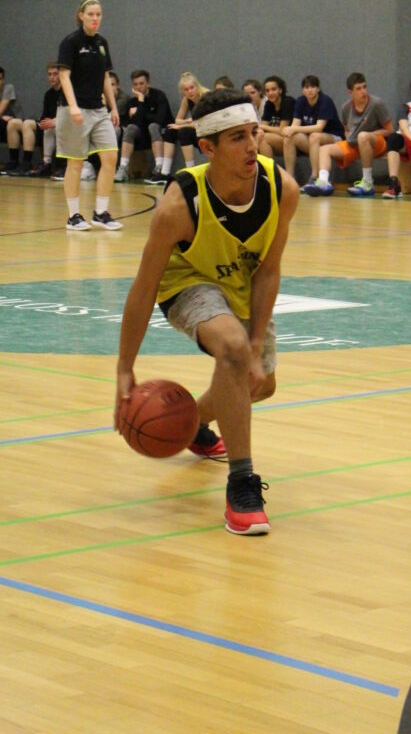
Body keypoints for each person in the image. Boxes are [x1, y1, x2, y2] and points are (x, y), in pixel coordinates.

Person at [115, 88, 299, 535]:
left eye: (254, 133)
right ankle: (242, 486)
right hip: (186, 281)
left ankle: (193, 421)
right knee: (233, 349)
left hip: (243, 281)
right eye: (237, 138)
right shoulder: (179, 206)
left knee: (261, 383)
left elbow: (269, 271)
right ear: (207, 147)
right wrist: (124, 367)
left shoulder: (282, 189)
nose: (253, 145)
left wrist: (257, 342)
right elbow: (144, 288)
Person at [56, 0, 122, 231]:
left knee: (110, 157)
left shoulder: (102, 43)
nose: (95, 18)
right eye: (91, 14)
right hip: (75, 110)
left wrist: (113, 107)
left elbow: (105, 76)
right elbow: (64, 76)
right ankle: (73, 216)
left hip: (99, 109)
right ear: (81, 15)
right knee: (75, 162)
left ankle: (100, 213)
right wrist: (73, 106)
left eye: (98, 14)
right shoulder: (70, 42)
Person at [302, 72, 393, 197]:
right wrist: (351, 139)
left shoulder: (377, 104)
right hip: (356, 144)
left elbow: (389, 130)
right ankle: (323, 182)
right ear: (350, 92)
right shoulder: (346, 107)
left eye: (364, 87)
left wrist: (367, 135)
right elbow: (346, 130)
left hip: (376, 144)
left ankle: (367, 182)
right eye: (358, 89)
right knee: (324, 149)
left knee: (362, 136)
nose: (363, 91)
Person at [281, 74, 345, 185]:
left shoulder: (325, 101)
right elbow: (295, 124)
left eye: (313, 87)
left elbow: (319, 127)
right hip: (313, 141)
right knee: (289, 137)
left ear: (318, 89)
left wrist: (294, 128)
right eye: (306, 87)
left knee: (315, 136)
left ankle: (314, 176)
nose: (310, 90)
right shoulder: (301, 101)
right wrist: (289, 130)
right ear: (303, 90)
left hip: (334, 138)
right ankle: (289, 178)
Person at [114, 70, 173, 184]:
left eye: (141, 83)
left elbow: (159, 119)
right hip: (142, 137)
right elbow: (135, 123)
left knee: (153, 126)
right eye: (135, 84)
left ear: (148, 83)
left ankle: (159, 167)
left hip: (161, 133)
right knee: (131, 128)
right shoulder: (132, 102)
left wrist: (140, 109)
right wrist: (140, 102)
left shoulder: (159, 96)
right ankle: (123, 167)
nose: (138, 87)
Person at [155, 71, 209, 185]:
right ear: (182, 91)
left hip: (209, 131)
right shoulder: (186, 100)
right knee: (170, 130)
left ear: (197, 86)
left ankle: (191, 171)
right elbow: (177, 120)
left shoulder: (205, 97)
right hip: (197, 129)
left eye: (192, 88)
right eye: (186, 89)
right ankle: (165, 172)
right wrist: (187, 121)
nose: (190, 91)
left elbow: (203, 123)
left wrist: (184, 124)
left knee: (184, 132)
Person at [258, 75, 295, 158]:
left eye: (273, 89)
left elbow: (282, 130)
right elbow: (264, 126)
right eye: (267, 91)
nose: (270, 93)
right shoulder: (269, 104)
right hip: (277, 138)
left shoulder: (288, 102)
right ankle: (270, 165)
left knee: (263, 137)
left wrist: (262, 127)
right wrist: (260, 129)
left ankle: (270, 166)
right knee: (260, 137)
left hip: (292, 140)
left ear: (280, 90)